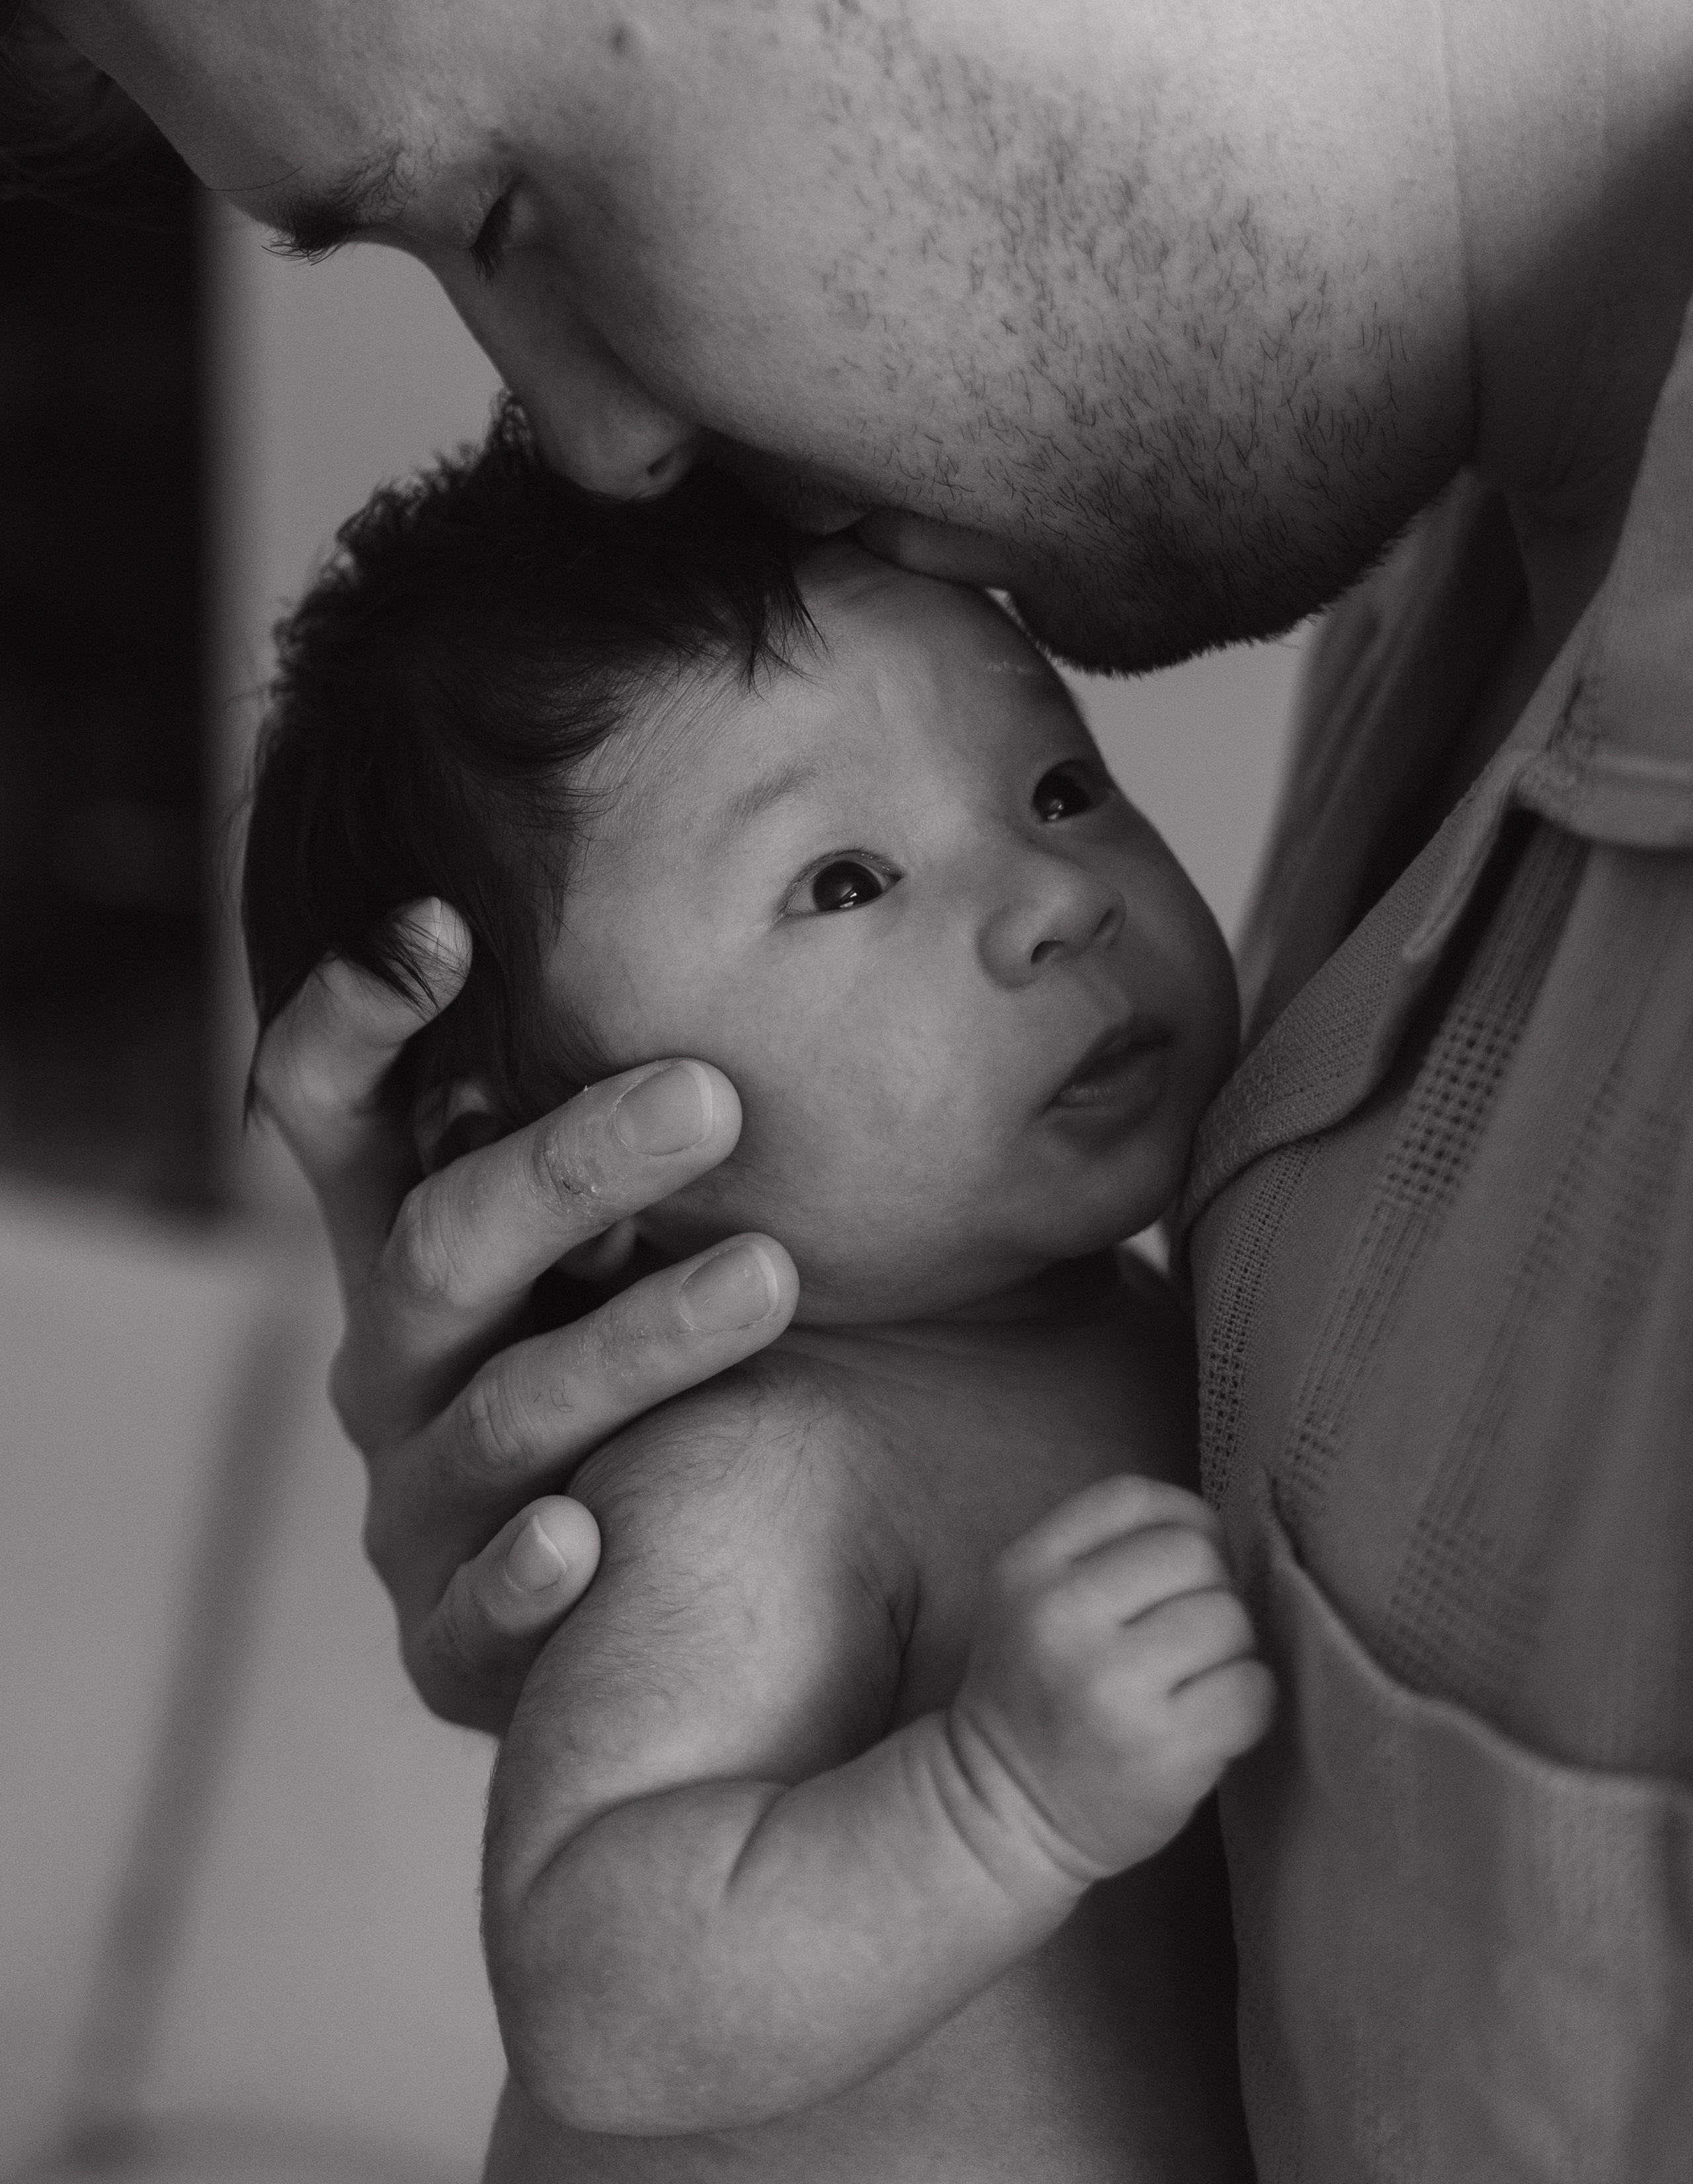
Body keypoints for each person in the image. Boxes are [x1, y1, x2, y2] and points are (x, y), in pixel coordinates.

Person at [8, 0, 1693, 2170]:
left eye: (508, 204)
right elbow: (618, 1997)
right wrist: (921, 1762)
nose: (602, 445)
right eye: (843, 879)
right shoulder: (1453, 601)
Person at [241, 422, 1269, 2180]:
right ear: (568, 1165)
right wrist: (995, 1801)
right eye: (844, 881)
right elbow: (593, 2000)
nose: (1055, 902)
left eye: (1057, 787)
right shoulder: (761, 1474)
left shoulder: (1141, 1304)